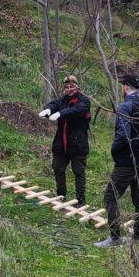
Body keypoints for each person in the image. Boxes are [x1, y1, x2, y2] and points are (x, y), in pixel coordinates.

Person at [94, 73, 139, 249]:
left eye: (123, 85)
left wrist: (115, 150)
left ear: (126, 87)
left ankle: (115, 238)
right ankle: (137, 235)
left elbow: (123, 136)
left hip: (127, 162)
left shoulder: (125, 106)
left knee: (110, 196)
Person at [39, 75, 91, 207]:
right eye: (67, 87)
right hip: (61, 143)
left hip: (78, 144)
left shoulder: (84, 101)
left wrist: (61, 113)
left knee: (78, 172)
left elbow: (76, 110)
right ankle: (61, 195)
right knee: (58, 168)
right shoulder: (63, 100)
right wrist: (48, 109)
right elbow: (54, 103)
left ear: (77, 86)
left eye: (72, 86)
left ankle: (81, 200)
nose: (69, 89)